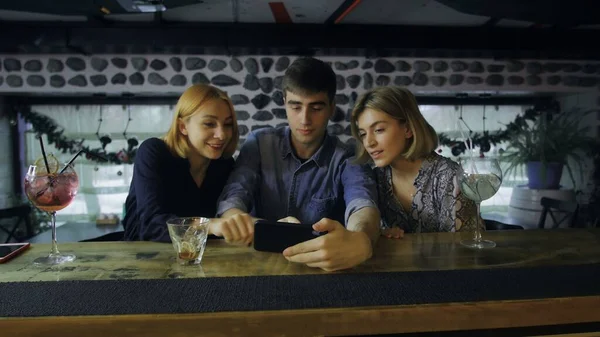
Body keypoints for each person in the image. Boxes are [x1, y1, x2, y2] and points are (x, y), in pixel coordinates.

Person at [216, 57, 380, 271]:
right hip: (258, 267)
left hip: (324, 270)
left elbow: (363, 204)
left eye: (316, 108)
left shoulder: (347, 156)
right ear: (284, 102)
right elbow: (234, 195)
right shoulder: (259, 143)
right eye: (296, 106)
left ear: (331, 107)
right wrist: (235, 218)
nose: (304, 119)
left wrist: (361, 240)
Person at [350, 86, 478, 237]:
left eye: (379, 130)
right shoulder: (375, 178)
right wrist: (381, 236)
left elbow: (465, 247)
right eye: (363, 134)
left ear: (408, 129)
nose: (369, 143)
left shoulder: (450, 176)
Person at [122, 84, 240, 242]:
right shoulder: (153, 152)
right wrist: (209, 225)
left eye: (227, 124)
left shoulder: (223, 164)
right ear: (183, 126)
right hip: (143, 257)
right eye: (209, 124)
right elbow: (150, 226)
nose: (222, 135)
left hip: (201, 259)